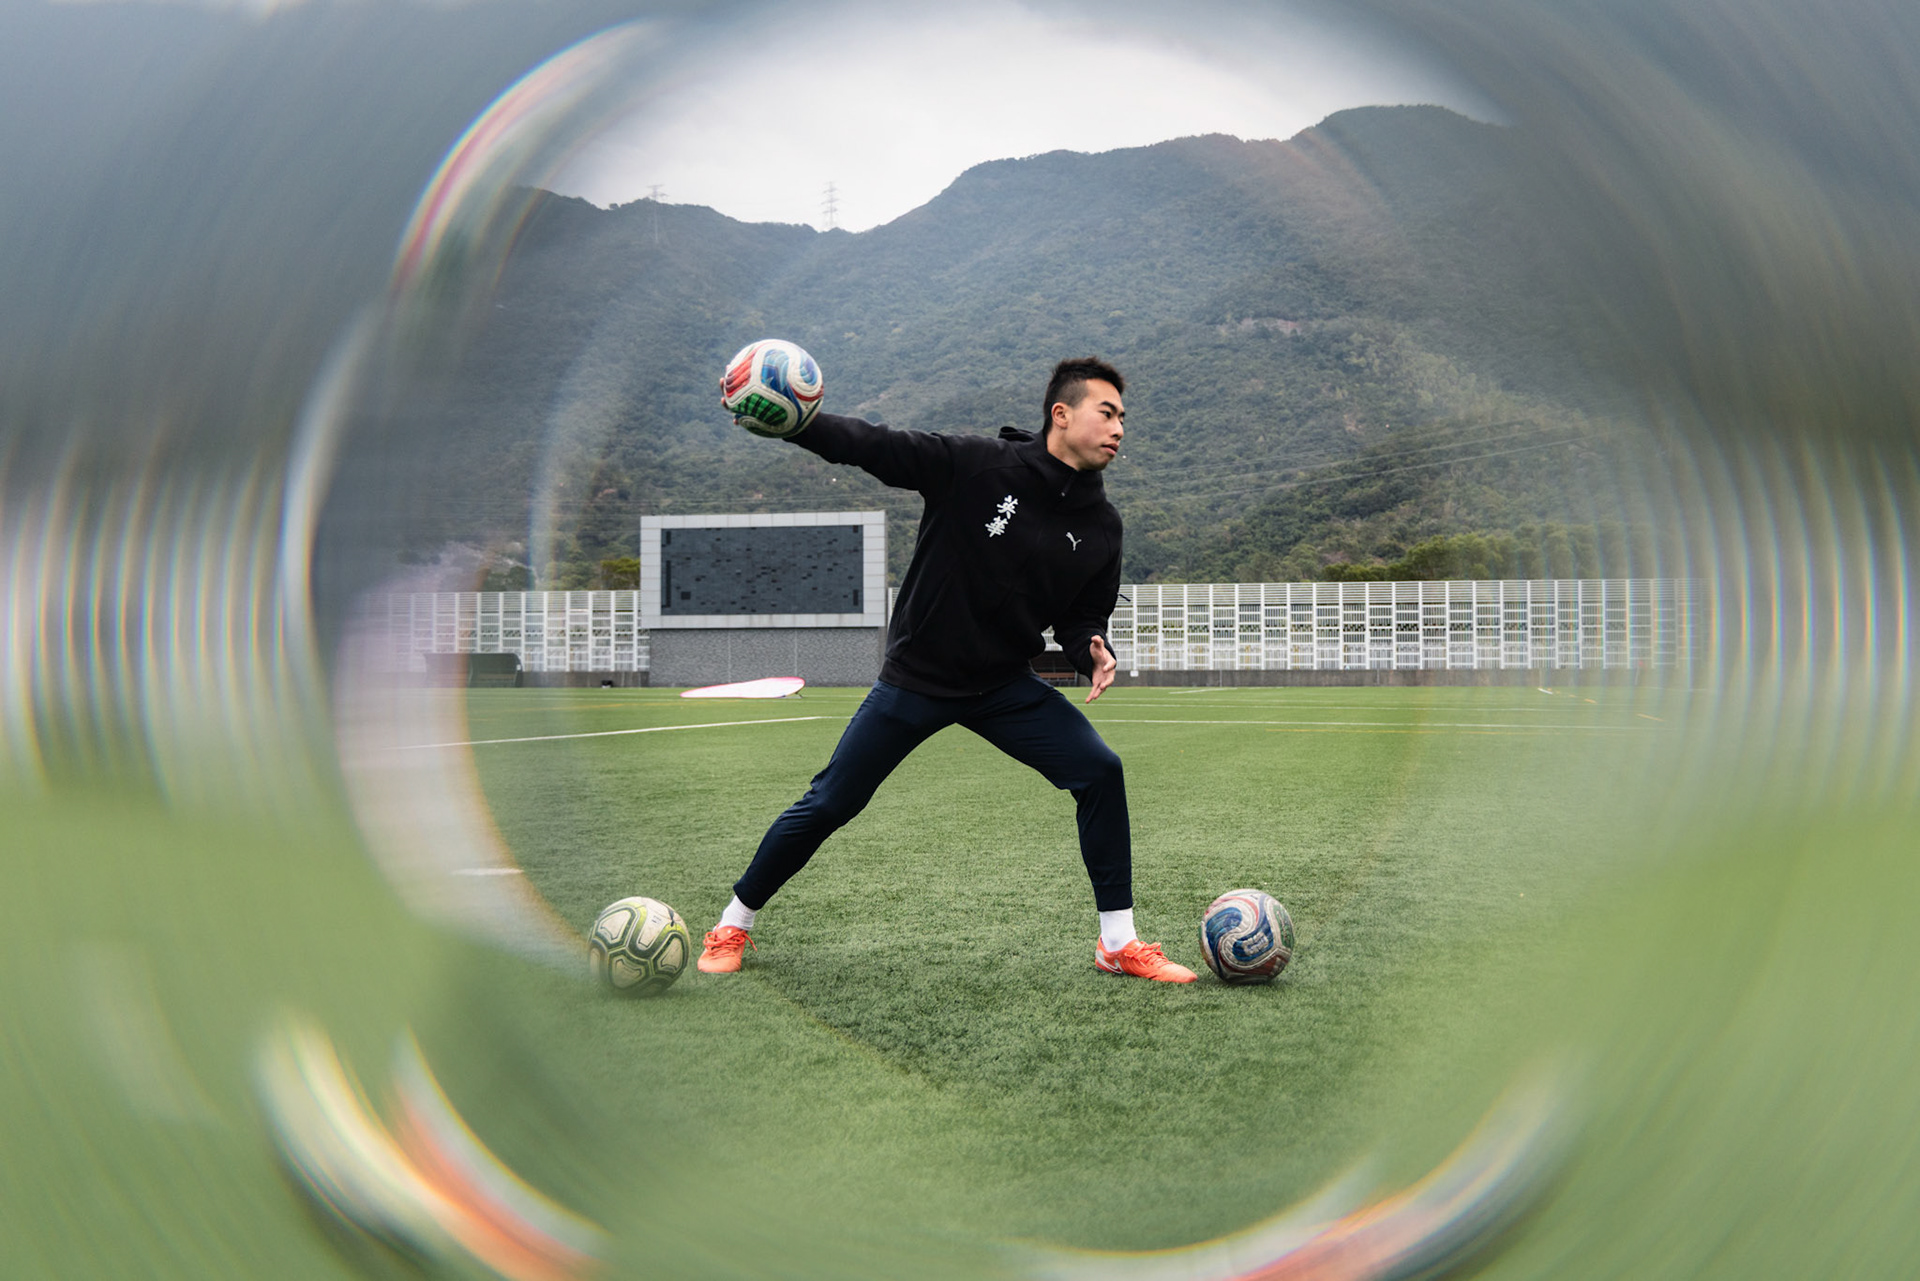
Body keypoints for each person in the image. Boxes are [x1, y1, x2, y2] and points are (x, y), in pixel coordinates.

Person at [698, 357, 1195, 983]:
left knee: (1099, 771)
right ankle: (734, 921)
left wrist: (1091, 645)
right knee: (832, 801)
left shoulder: (1102, 525)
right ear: (1061, 414)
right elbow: (871, 446)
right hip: (918, 678)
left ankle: (1117, 943)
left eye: (1123, 417)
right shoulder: (976, 465)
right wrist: (793, 425)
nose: (1119, 427)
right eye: (1107, 412)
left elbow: (1082, 613)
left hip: (1004, 687)